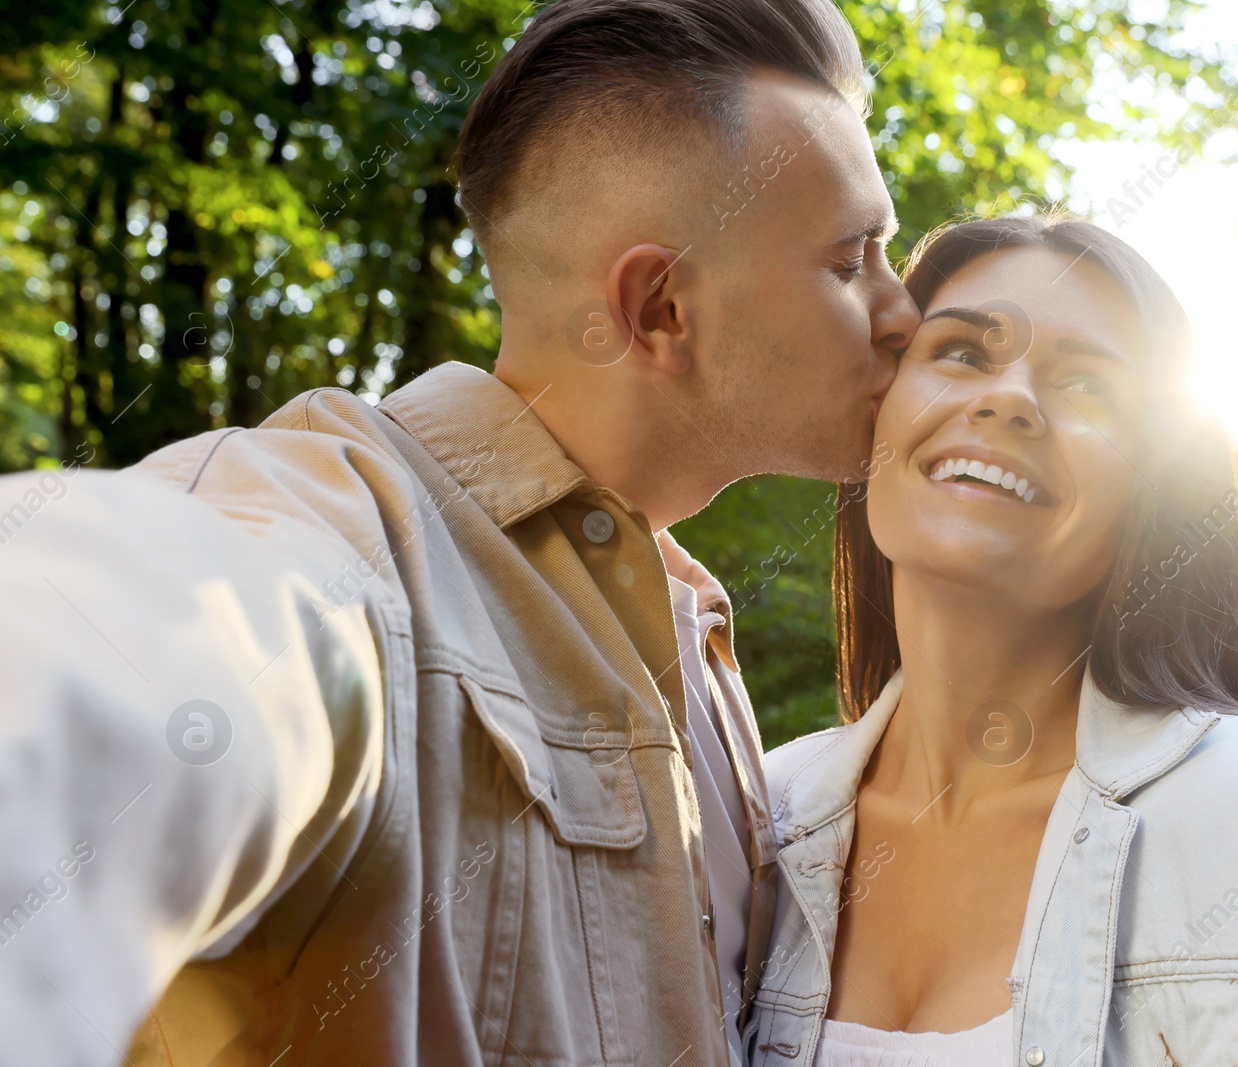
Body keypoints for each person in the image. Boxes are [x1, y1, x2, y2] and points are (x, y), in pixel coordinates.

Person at [0, 1, 918, 1064]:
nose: (904, 311)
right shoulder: (344, 537)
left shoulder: (696, 636)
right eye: (853, 260)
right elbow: (88, 656)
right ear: (661, 307)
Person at [747, 213, 1238, 1066]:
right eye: (962, 353)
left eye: (1087, 385)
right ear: (879, 413)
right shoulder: (751, 823)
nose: (1010, 397)